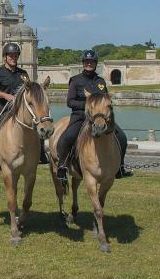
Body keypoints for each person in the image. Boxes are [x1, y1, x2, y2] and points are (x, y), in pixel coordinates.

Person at [56, 49, 132, 180]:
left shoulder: (101, 82)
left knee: (122, 137)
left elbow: (106, 99)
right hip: (80, 116)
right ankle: (62, 166)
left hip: (100, 117)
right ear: (83, 63)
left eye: (91, 62)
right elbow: (70, 102)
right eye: (86, 61)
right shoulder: (75, 80)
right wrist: (87, 107)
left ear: (95, 63)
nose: (89, 64)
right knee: (67, 137)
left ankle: (120, 167)